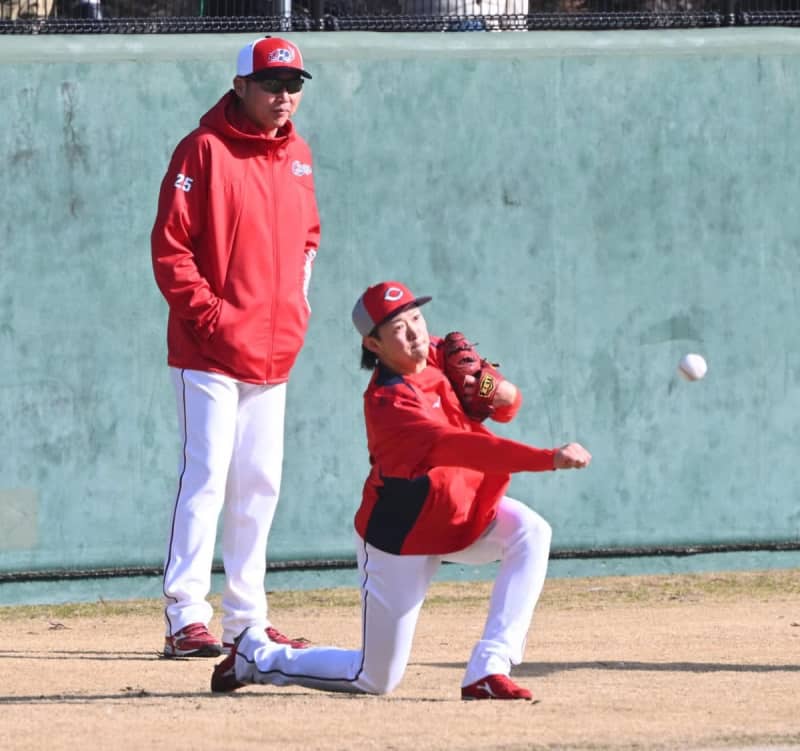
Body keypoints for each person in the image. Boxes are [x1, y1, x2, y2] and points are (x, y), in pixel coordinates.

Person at [210, 281, 591, 699]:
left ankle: (489, 667)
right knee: (374, 678)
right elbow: (466, 447)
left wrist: (496, 390)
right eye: (398, 327)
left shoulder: (442, 355)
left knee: (531, 531)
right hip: (403, 538)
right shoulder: (388, 404)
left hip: (464, 516)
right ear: (373, 343)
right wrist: (546, 457)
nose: (415, 332)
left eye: (416, 318)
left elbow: (505, 403)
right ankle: (258, 658)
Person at [151, 36, 320, 658]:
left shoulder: (297, 155)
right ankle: (185, 616)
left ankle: (246, 618)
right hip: (209, 353)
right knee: (206, 478)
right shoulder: (202, 149)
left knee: (259, 484)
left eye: (294, 85)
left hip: (274, 354)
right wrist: (215, 319)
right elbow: (171, 249)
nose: (284, 96)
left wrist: (296, 313)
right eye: (272, 84)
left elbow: (308, 238)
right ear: (241, 84)